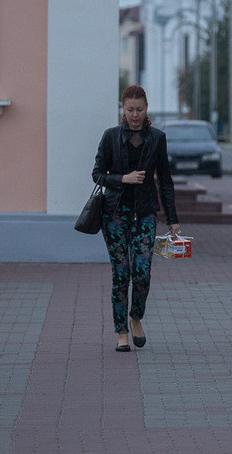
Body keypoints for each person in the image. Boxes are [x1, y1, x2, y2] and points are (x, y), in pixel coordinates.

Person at [92, 85, 180, 351]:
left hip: (145, 214)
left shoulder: (156, 138)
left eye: (139, 110)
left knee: (142, 272)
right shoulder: (110, 137)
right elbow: (97, 174)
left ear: (146, 108)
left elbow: (165, 180)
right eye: (130, 110)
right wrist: (122, 179)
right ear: (122, 109)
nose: (134, 115)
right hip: (115, 214)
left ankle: (135, 317)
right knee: (121, 273)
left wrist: (172, 218)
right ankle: (121, 332)